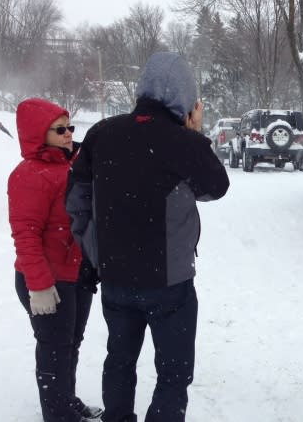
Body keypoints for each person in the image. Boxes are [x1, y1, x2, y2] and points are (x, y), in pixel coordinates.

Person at [66, 52, 230, 422]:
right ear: (185, 98)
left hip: (116, 279)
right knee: (173, 373)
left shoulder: (101, 134)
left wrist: (96, 253)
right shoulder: (182, 142)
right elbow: (215, 187)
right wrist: (195, 134)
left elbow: (76, 200)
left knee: (119, 361)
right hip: (169, 284)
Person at [8, 98, 102, 421]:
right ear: (38, 134)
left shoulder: (73, 166)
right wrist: (39, 286)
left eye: (70, 127)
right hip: (46, 279)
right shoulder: (28, 175)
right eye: (60, 129)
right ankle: (57, 413)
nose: (68, 134)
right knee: (54, 346)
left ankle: (66, 399)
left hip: (77, 274)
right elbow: (26, 235)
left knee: (71, 343)